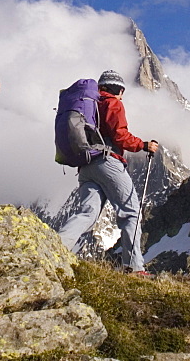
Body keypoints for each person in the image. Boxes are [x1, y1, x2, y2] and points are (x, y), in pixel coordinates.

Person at [57, 70, 158, 275]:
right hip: (108, 162)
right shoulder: (113, 103)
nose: (122, 97)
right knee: (131, 212)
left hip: (86, 165)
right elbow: (120, 136)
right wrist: (144, 145)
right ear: (118, 89)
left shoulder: (89, 105)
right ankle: (134, 267)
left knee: (86, 213)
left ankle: (55, 249)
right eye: (122, 92)